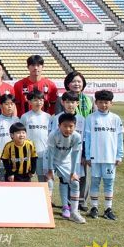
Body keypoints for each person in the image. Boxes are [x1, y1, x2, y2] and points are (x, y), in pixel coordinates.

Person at [55, 71, 93, 211]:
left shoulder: (89, 99)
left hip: (81, 140)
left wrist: (85, 153)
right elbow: (59, 120)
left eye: (79, 81)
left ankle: (81, 201)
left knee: (82, 173)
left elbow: (91, 119)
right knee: (66, 175)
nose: (76, 84)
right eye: (73, 81)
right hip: (65, 142)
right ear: (68, 83)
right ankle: (68, 202)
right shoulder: (61, 99)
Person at [84, 90, 124, 220]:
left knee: (109, 183)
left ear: (111, 103)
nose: (103, 105)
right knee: (95, 181)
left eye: (106, 102)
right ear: (96, 103)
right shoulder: (90, 118)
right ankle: (94, 207)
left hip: (110, 157)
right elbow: (87, 139)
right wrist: (88, 156)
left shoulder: (116, 119)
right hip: (95, 157)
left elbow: (119, 138)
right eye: (100, 102)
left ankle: (108, 209)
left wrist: (119, 155)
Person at [46, 113, 85, 223]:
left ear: (75, 126)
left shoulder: (77, 136)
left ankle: (74, 212)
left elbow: (75, 155)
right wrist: (50, 170)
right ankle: (47, 211)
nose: (68, 129)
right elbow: (50, 153)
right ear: (59, 126)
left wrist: (73, 172)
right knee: (49, 182)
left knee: (75, 183)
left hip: (65, 161)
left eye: (71, 126)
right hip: (51, 159)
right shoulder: (53, 135)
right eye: (65, 126)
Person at [20, 91, 51, 183]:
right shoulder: (25, 117)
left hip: (43, 153)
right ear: (29, 102)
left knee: (43, 180)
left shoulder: (48, 117)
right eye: (35, 100)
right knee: (27, 178)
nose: (39, 102)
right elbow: (21, 135)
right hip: (29, 154)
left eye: (41, 100)